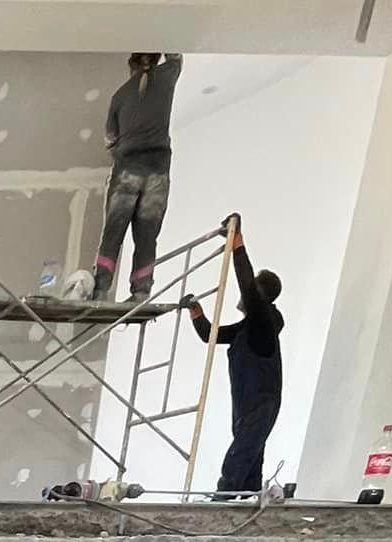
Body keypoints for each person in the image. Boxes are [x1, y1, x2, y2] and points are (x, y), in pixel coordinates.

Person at [184, 216, 284, 496]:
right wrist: (195, 311)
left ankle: (222, 500)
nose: (244, 296)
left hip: (260, 406)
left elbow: (247, 286)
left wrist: (236, 243)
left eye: (253, 292)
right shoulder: (247, 329)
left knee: (239, 459)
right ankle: (247, 501)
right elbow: (210, 335)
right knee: (250, 466)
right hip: (245, 407)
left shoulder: (263, 325)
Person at [93, 53, 183, 301]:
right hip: (158, 172)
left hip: (127, 170)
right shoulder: (166, 78)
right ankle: (141, 291)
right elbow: (177, 56)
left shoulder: (120, 95)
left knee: (113, 232)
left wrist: (121, 150)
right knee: (146, 236)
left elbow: (110, 139)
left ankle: (100, 289)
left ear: (130, 65)